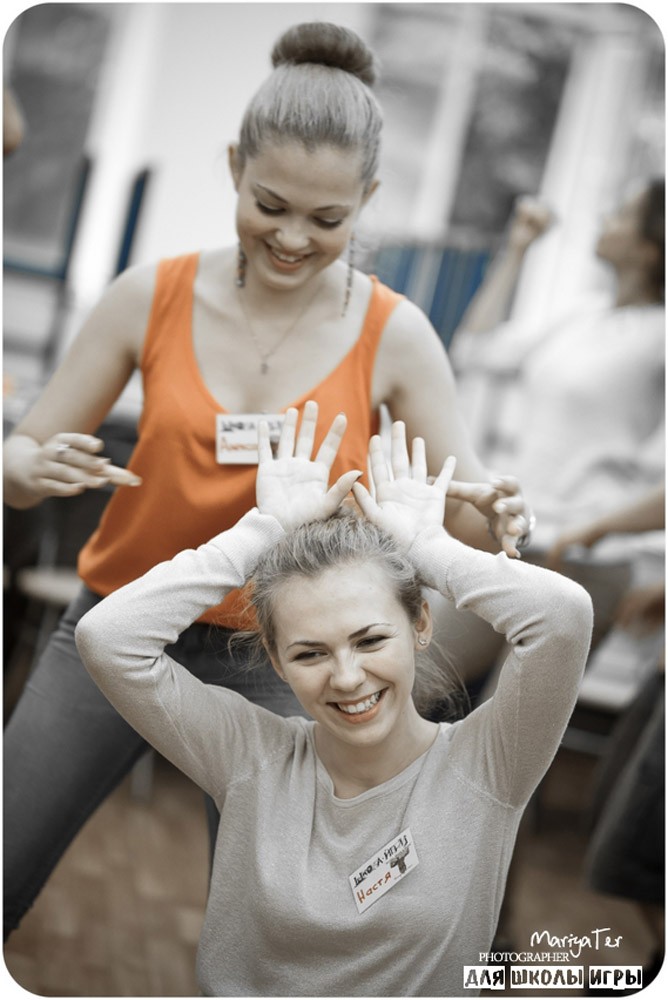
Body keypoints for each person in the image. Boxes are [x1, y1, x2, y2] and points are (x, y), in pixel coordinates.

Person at [2, 21, 532, 939]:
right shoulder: (148, 295)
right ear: (233, 168)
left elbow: (469, 515)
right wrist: (24, 464)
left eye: (328, 221)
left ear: (367, 201)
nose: (291, 238)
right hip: (117, 623)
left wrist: (496, 511)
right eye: (270, 205)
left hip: (286, 657)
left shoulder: (396, 334)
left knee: (277, 931)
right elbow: (18, 467)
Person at [74, 403, 593, 998]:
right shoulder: (249, 757)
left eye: (370, 641)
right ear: (276, 661)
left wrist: (427, 546)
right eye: (310, 654)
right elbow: (107, 638)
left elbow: (563, 616)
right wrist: (261, 530)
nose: (347, 678)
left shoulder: (488, 766)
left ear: (421, 625)